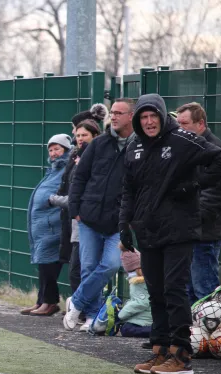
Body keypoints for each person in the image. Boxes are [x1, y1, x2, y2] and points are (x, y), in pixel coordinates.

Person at [119, 93, 221, 374]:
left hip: (179, 229)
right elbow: (128, 189)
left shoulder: (182, 139)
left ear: (161, 116)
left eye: (153, 116)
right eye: (143, 117)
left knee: (174, 290)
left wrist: (193, 185)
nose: (148, 122)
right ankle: (160, 351)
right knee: (155, 293)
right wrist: (124, 224)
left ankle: (181, 355)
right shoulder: (134, 145)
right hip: (148, 230)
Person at [64, 98, 136, 332]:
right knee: (88, 267)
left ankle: (76, 300)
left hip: (118, 222)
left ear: (131, 116)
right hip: (89, 218)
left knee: (111, 265)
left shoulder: (139, 147)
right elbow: (80, 177)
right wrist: (75, 210)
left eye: (119, 113)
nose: (113, 116)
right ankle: (93, 316)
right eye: (112, 112)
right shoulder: (100, 143)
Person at [176, 102, 221, 304]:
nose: (180, 129)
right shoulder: (189, 147)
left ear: (200, 124)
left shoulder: (215, 150)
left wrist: (190, 220)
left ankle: (210, 334)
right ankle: (193, 333)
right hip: (191, 231)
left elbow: (216, 196)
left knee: (205, 290)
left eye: (184, 123)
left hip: (205, 233)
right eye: (177, 123)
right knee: (190, 289)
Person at [49, 120, 101, 297]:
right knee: (77, 269)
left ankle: (84, 308)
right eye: (77, 135)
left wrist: (56, 200)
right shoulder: (75, 157)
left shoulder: (98, 157)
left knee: (85, 269)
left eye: (84, 135)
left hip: (91, 220)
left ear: (95, 136)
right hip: (75, 221)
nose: (80, 138)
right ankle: (80, 308)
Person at [20, 134, 71, 316]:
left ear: (66, 149)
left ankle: (50, 301)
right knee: (43, 264)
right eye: (51, 149)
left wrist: (50, 200)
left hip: (53, 225)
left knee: (49, 264)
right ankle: (42, 300)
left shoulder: (66, 169)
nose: (53, 153)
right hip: (44, 225)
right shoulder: (53, 169)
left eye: (57, 149)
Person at [118, 246, 152, 338]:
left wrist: (121, 314)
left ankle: (154, 331)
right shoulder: (147, 279)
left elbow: (141, 302)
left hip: (144, 321)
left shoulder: (138, 282)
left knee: (126, 329)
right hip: (147, 318)